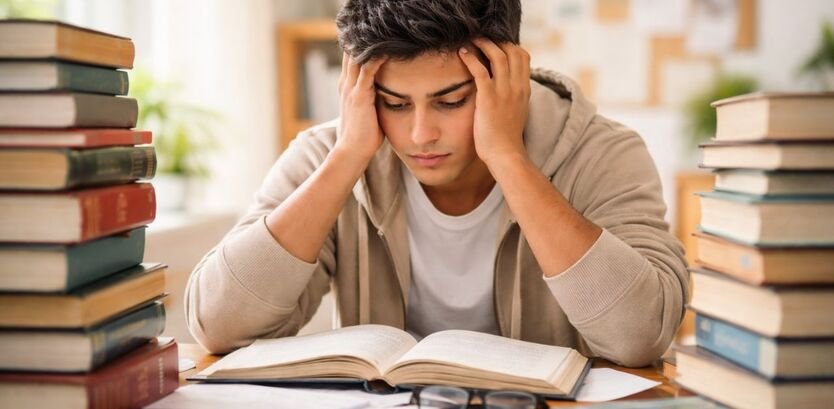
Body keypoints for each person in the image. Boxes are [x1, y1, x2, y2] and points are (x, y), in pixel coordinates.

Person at [185, 0, 688, 367]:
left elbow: (640, 336)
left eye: (450, 102)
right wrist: (346, 158)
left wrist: (508, 158)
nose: (420, 134)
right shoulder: (330, 153)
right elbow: (216, 324)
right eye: (395, 103)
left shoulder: (602, 152)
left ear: (508, 75)